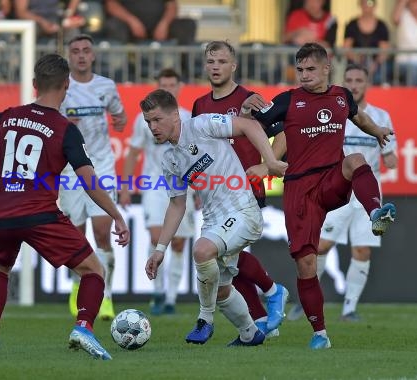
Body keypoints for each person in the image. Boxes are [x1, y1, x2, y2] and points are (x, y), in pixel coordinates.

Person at [0, 53, 130, 360]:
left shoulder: (6, 116)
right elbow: (89, 181)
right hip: (39, 215)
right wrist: (116, 215)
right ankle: (84, 328)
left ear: (35, 85)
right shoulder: (64, 128)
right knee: (93, 270)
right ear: (66, 85)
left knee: (0, 268)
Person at [252, 42, 396, 349]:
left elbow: (359, 118)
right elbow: (254, 127)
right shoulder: (287, 101)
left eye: (310, 69)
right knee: (306, 264)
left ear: (326, 68)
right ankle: (320, 334)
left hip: (331, 179)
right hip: (299, 190)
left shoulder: (342, 96)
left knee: (356, 160)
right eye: (300, 70)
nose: (304, 75)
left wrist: (379, 131)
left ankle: (374, 212)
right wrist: (267, 160)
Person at [142, 89, 288, 346]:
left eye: (156, 120)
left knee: (201, 251)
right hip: (213, 221)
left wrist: (271, 160)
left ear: (175, 115)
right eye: (148, 122)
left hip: (243, 210)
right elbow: (177, 205)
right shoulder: (170, 159)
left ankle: (205, 319)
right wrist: (160, 249)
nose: (152, 127)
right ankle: (250, 333)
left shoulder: (201, 125)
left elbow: (249, 125)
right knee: (220, 290)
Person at [191, 40, 289, 337]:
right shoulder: (200, 105)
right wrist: (198, 187)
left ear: (233, 66)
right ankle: (261, 321)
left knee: (224, 256)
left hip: (244, 190)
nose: (216, 67)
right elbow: (199, 151)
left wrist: (266, 164)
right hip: (214, 195)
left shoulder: (251, 99)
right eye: (211, 62)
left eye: (222, 62)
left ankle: (273, 292)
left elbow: (284, 134)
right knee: (225, 265)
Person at [287, 63, 398, 322]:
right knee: (321, 245)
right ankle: (306, 302)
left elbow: (390, 157)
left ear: (367, 83)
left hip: (367, 193)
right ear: (344, 81)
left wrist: (391, 156)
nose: (354, 84)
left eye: (359, 79)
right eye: (350, 79)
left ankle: (349, 308)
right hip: (337, 188)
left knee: (362, 250)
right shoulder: (334, 111)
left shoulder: (380, 117)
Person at [59, 34, 127, 321]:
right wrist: (66, 124)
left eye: (86, 50)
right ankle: (79, 284)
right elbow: (49, 120)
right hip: (70, 168)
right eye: (75, 51)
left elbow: (120, 118)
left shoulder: (106, 86)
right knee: (76, 235)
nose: (81, 56)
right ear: (69, 56)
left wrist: (118, 120)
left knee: (102, 231)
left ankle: (106, 295)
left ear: (93, 55)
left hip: (101, 165)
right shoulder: (62, 87)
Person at [119, 68, 195, 315]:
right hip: (153, 183)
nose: (168, 88)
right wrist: (126, 186)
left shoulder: (188, 118)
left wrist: (202, 190)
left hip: (184, 186)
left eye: (172, 84)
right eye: (164, 84)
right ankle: (158, 292)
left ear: (179, 87)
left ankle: (172, 297)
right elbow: (133, 152)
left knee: (180, 243)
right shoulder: (145, 120)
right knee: (156, 237)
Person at [103, 0, 196, 45]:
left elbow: (172, 5)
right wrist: (132, 21)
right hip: (128, 25)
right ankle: (120, 71)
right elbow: (111, 5)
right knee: (113, 25)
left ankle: (186, 71)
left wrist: (164, 24)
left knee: (187, 25)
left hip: (159, 26)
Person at [343, 0, 392, 85]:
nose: (367, 6)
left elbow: (384, 51)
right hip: (355, 64)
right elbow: (346, 47)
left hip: (376, 66)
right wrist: (357, 61)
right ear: (360, 5)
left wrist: (375, 64)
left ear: (375, 6)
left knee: (379, 76)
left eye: (370, 3)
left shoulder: (381, 26)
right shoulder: (352, 24)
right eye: (364, 3)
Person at [14, 0, 85, 44]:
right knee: (31, 30)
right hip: (34, 22)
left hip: (55, 20)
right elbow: (21, 12)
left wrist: (68, 16)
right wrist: (42, 22)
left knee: (74, 32)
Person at [392, 0, 417, 86]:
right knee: (414, 70)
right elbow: (395, 18)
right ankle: (413, 97)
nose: (416, 2)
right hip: (405, 61)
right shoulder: (403, 15)